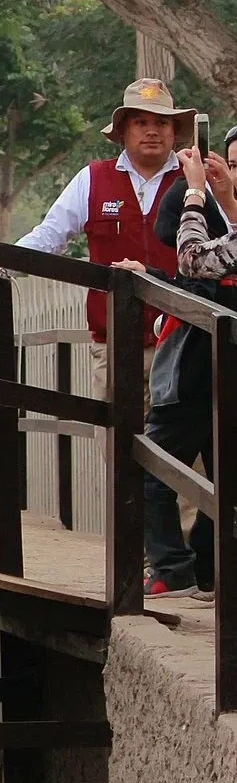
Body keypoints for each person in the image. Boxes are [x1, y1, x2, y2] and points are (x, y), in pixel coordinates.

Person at [0, 78, 193, 399]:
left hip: (185, 341)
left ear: (174, 130)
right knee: (117, 445)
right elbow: (50, 235)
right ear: (122, 131)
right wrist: (1, 264)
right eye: (140, 122)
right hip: (115, 347)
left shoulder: (195, 178)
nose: (152, 130)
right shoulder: (93, 178)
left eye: (161, 122)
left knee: (183, 447)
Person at [140, 130, 237, 599]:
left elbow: (195, 262)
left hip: (200, 366)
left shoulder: (193, 207)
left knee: (149, 466)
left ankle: (173, 569)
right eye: (234, 164)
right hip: (211, 367)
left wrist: (196, 190)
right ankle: (207, 570)